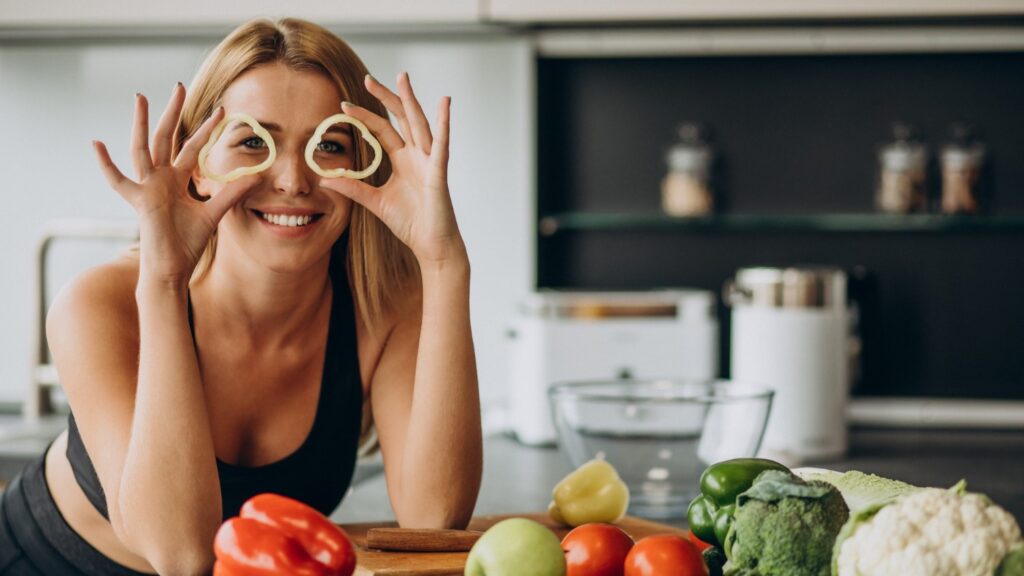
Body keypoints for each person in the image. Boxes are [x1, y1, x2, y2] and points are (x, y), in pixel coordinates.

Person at [0, 17, 482, 575]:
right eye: (254, 141)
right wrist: (163, 279)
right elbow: (179, 553)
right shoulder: (99, 304)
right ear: (198, 165)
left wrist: (445, 264)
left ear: (364, 168)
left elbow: (436, 518)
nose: (293, 180)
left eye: (329, 144)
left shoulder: (385, 308)